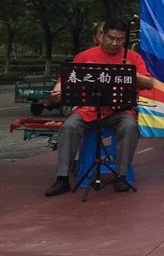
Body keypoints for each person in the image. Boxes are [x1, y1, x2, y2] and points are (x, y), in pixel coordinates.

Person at [45, 19, 155, 196]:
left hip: (120, 111)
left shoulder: (133, 57)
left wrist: (131, 73)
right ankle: (62, 178)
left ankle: (121, 175)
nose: (115, 43)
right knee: (69, 126)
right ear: (102, 36)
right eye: (111, 38)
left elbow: (149, 84)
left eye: (120, 40)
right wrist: (57, 92)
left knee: (129, 127)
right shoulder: (84, 56)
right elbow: (64, 80)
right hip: (88, 110)